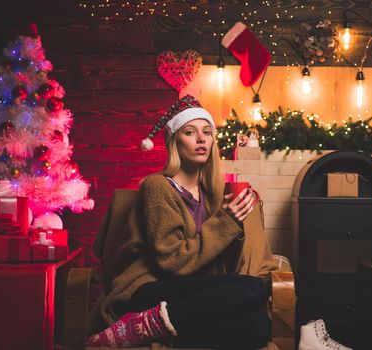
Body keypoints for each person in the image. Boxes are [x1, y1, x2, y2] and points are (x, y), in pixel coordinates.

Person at [86, 94, 279, 349]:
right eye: (190, 132)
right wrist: (225, 222)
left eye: (207, 133)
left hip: (193, 293)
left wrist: (238, 222)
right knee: (252, 289)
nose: (201, 139)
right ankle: (147, 322)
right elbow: (173, 262)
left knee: (257, 326)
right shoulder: (157, 186)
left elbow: (221, 262)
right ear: (175, 140)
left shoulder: (213, 195)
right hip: (151, 288)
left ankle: (151, 331)